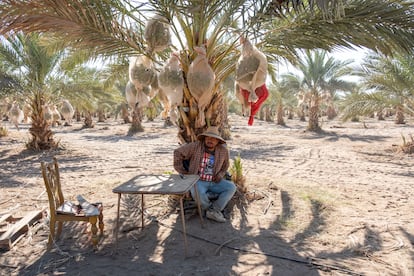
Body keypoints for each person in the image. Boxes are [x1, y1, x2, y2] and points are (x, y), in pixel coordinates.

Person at [173, 126, 236, 223]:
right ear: (204, 138)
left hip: (215, 181)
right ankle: (209, 210)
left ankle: (214, 210)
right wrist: (183, 172)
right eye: (208, 137)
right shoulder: (195, 146)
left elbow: (226, 165)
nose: (210, 140)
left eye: (214, 139)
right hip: (198, 181)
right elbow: (177, 152)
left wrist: (220, 174)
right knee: (198, 193)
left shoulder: (223, 151)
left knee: (231, 187)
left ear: (218, 141)